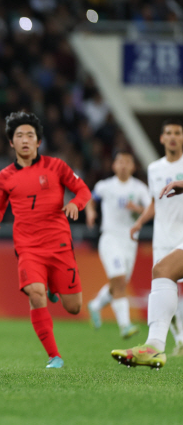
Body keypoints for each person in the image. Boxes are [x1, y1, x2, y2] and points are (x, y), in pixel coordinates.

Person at [0, 111, 91, 369]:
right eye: (19, 135)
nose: (25, 140)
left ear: (38, 141)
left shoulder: (57, 166)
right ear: (11, 142)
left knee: (74, 307)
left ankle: (55, 289)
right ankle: (54, 356)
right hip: (27, 247)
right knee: (35, 293)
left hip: (59, 244)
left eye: (30, 135)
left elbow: (83, 190)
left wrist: (76, 204)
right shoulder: (4, 177)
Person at [111, 178, 183, 369]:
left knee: (163, 270)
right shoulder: (155, 170)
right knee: (164, 270)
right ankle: (154, 346)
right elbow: (154, 203)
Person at [129, 119, 183, 354]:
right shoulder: (154, 169)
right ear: (161, 138)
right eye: (168, 133)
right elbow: (154, 201)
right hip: (162, 238)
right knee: (162, 286)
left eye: (177, 133)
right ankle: (177, 340)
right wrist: (140, 222)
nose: (173, 136)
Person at [85, 151, 149, 338]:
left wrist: (136, 209)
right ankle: (125, 325)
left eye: (127, 162)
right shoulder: (105, 186)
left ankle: (95, 305)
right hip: (110, 238)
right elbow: (90, 198)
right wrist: (90, 212)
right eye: (119, 161)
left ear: (133, 167)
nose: (123, 165)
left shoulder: (139, 189)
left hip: (130, 241)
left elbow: (149, 210)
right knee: (120, 280)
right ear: (114, 166)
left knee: (118, 284)